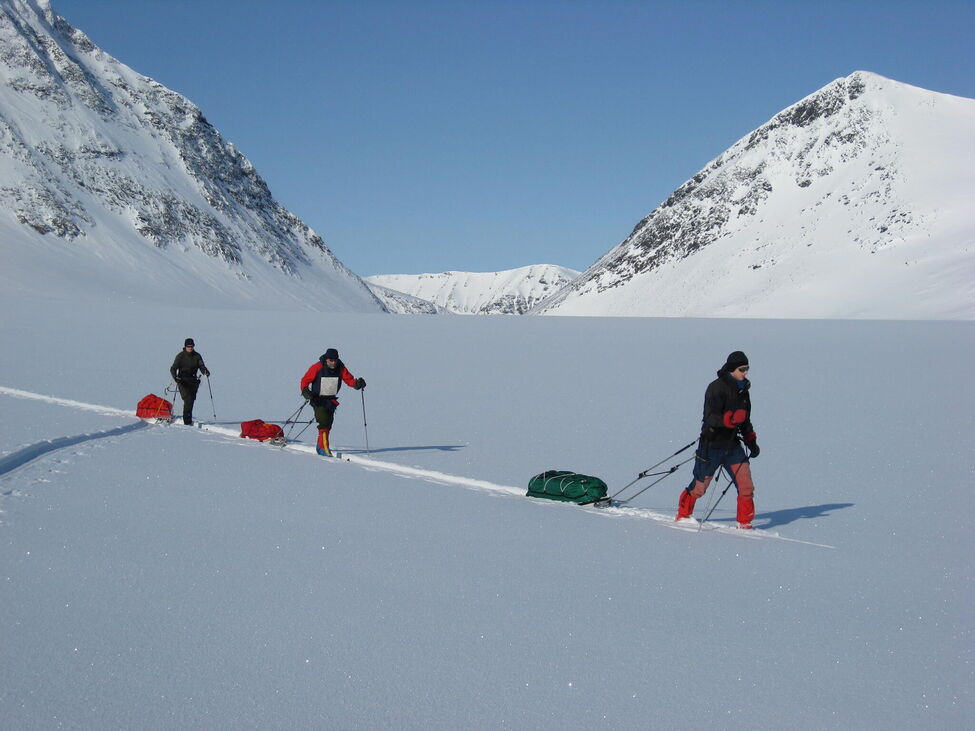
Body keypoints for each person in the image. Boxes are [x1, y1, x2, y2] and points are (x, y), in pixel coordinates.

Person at [675, 350, 761, 529]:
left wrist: (751, 440)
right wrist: (729, 420)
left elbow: (745, 420)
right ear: (732, 369)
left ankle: (745, 525)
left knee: (746, 486)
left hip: (733, 447)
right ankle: (683, 515)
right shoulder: (716, 387)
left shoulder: (744, 391)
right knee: (699, 488)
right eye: (742, 369)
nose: (746, 372)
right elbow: (710, 417)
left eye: (747, 368)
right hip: (711, 445)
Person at [300, 348, 365, 456]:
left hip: (331, 401)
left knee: (328, 423)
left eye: (335, 360)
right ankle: (324, 449)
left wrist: (357, 384)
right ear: (326, 359)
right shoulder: (317, 367)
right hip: (317, 400)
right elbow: (305, 381)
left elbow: (349, 379)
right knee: (324, 422)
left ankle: (320, 445)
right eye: (331, 360)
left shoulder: (341, 367)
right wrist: (305, 391)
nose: (333, 362)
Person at [170, 338, 210, 426]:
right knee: (187, 399)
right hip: (182, 381)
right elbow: (173, 368)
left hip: (193, 381)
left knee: (191, 400)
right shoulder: (180, 356)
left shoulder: (197, 356)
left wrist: (205, 372)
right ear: (185, 347)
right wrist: (175, 377)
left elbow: (201, 366)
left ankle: (188, 419)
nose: (190, 348)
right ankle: (187, 422)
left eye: (191, 346)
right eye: (188, 346)